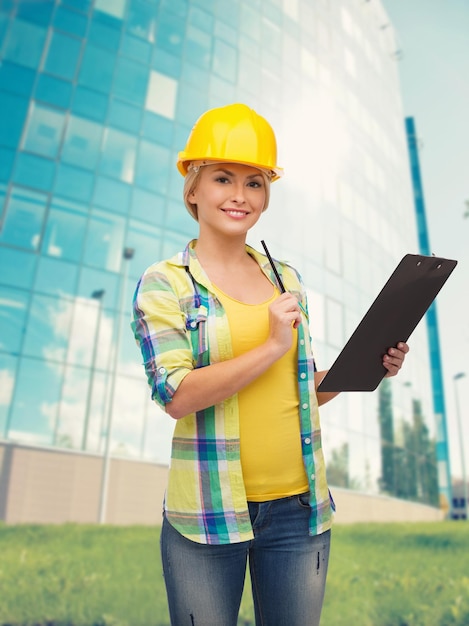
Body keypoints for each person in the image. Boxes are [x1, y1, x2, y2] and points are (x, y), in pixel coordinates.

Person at [131, 103, 409, 626]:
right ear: (192, 189)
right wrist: (268, 347)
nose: (240, 194)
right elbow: (176, 395)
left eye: (255, 182)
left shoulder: (287, 279)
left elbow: (299, 391)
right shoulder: (165, 282)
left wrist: (366, 368)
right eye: (222, 178)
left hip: (300, 511)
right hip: (208, 517)